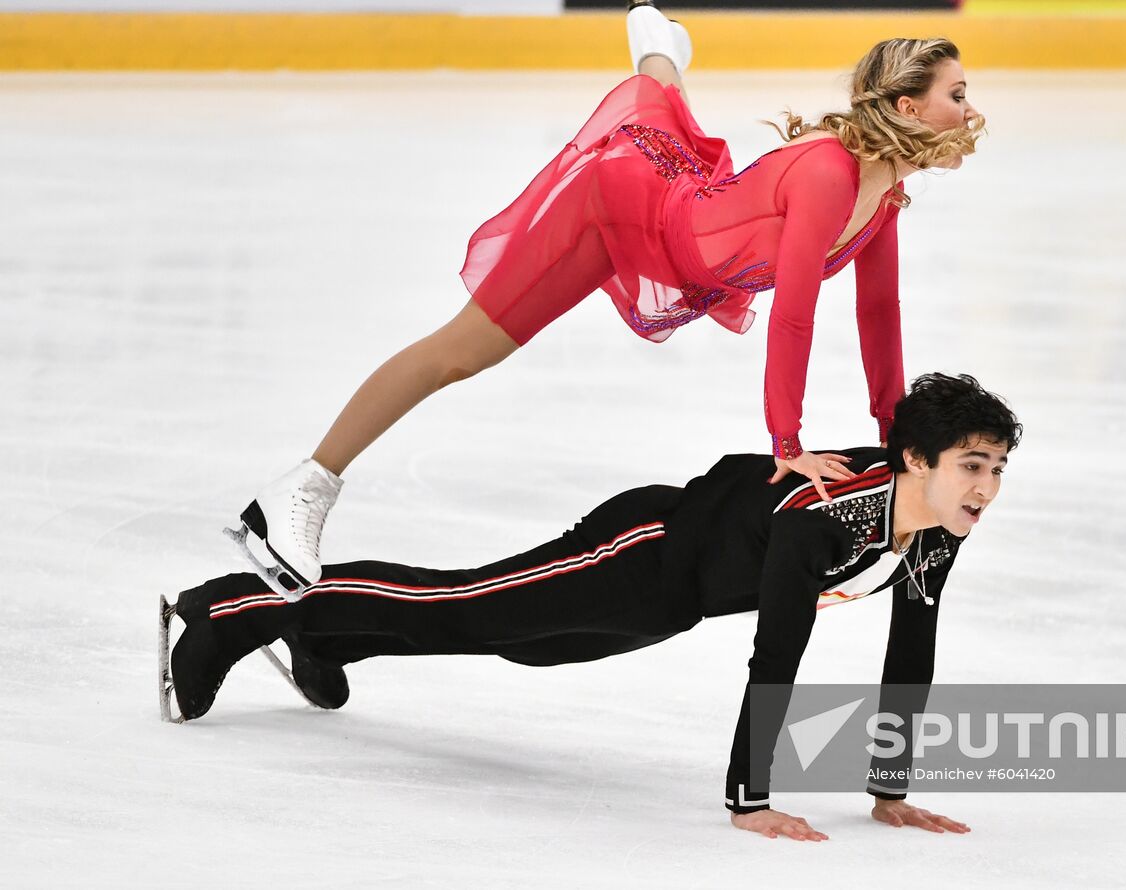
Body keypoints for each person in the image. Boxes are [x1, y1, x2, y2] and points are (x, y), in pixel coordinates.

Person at [224, 0, 986, 599]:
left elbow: (877, 315)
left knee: (662, 115)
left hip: (687, 207)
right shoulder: (828, 173)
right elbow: (792, 314)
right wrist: (786, 446)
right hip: (615, 211)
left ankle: (660, 49)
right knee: (464, 351)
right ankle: (302, 487)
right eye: (957, 92)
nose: (970, 106)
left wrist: (895, 440)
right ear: (910, 108)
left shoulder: (885, 195)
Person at [165, 373, 1021, 841]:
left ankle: (336, 643)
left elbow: (911, 652)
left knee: (528, 644)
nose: (984, 487)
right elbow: (777, 659)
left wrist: (888, 789)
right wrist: (749, 799)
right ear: (917, 458)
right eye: (970, 465)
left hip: (675, 598)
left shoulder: (938, 524)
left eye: (995, 469)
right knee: (469, 605)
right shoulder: (821, 523)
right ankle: (230, 611)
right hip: (642, 547)